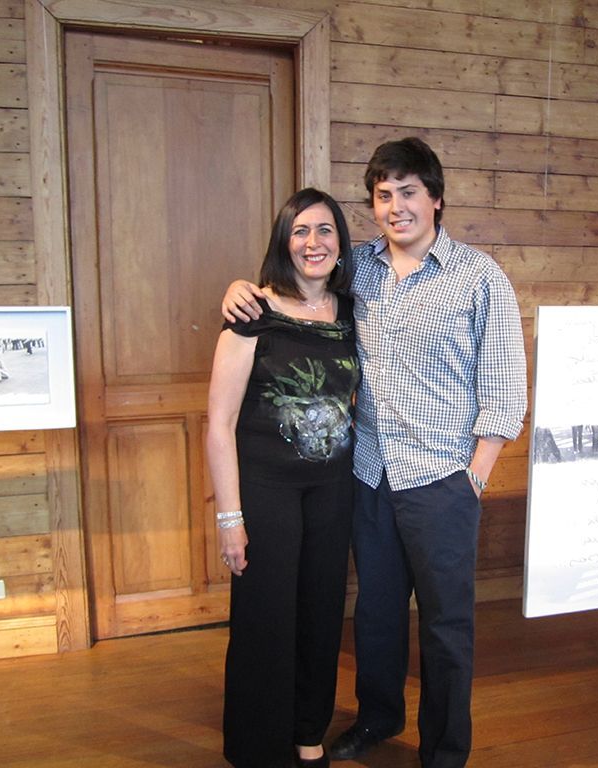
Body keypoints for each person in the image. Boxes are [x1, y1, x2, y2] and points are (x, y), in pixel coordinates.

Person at [221, 138, 527, 768]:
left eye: (409, 192)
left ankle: (444, 749)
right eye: (384, 195)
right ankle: (378, 717)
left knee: (445, 626)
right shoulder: (356, 268)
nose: (396, 206)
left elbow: (505, 389)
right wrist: (238, 289)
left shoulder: (479, 277)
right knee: (377, 614)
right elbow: (293, 278)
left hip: (443, 476)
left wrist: (475, 473)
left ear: (436, 200)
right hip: (367, 473)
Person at [206, 188, 360, 768]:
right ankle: (257, 747)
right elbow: (218, 425)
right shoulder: (251, 314)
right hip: (266, 491)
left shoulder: (351, 311)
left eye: (324, 230)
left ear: (340, 243)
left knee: (321, 614)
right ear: (283, 242)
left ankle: (307, 731)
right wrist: (230, 519)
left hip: (333, 489)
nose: (313, 242)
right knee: (265, 617)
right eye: (300, 231)